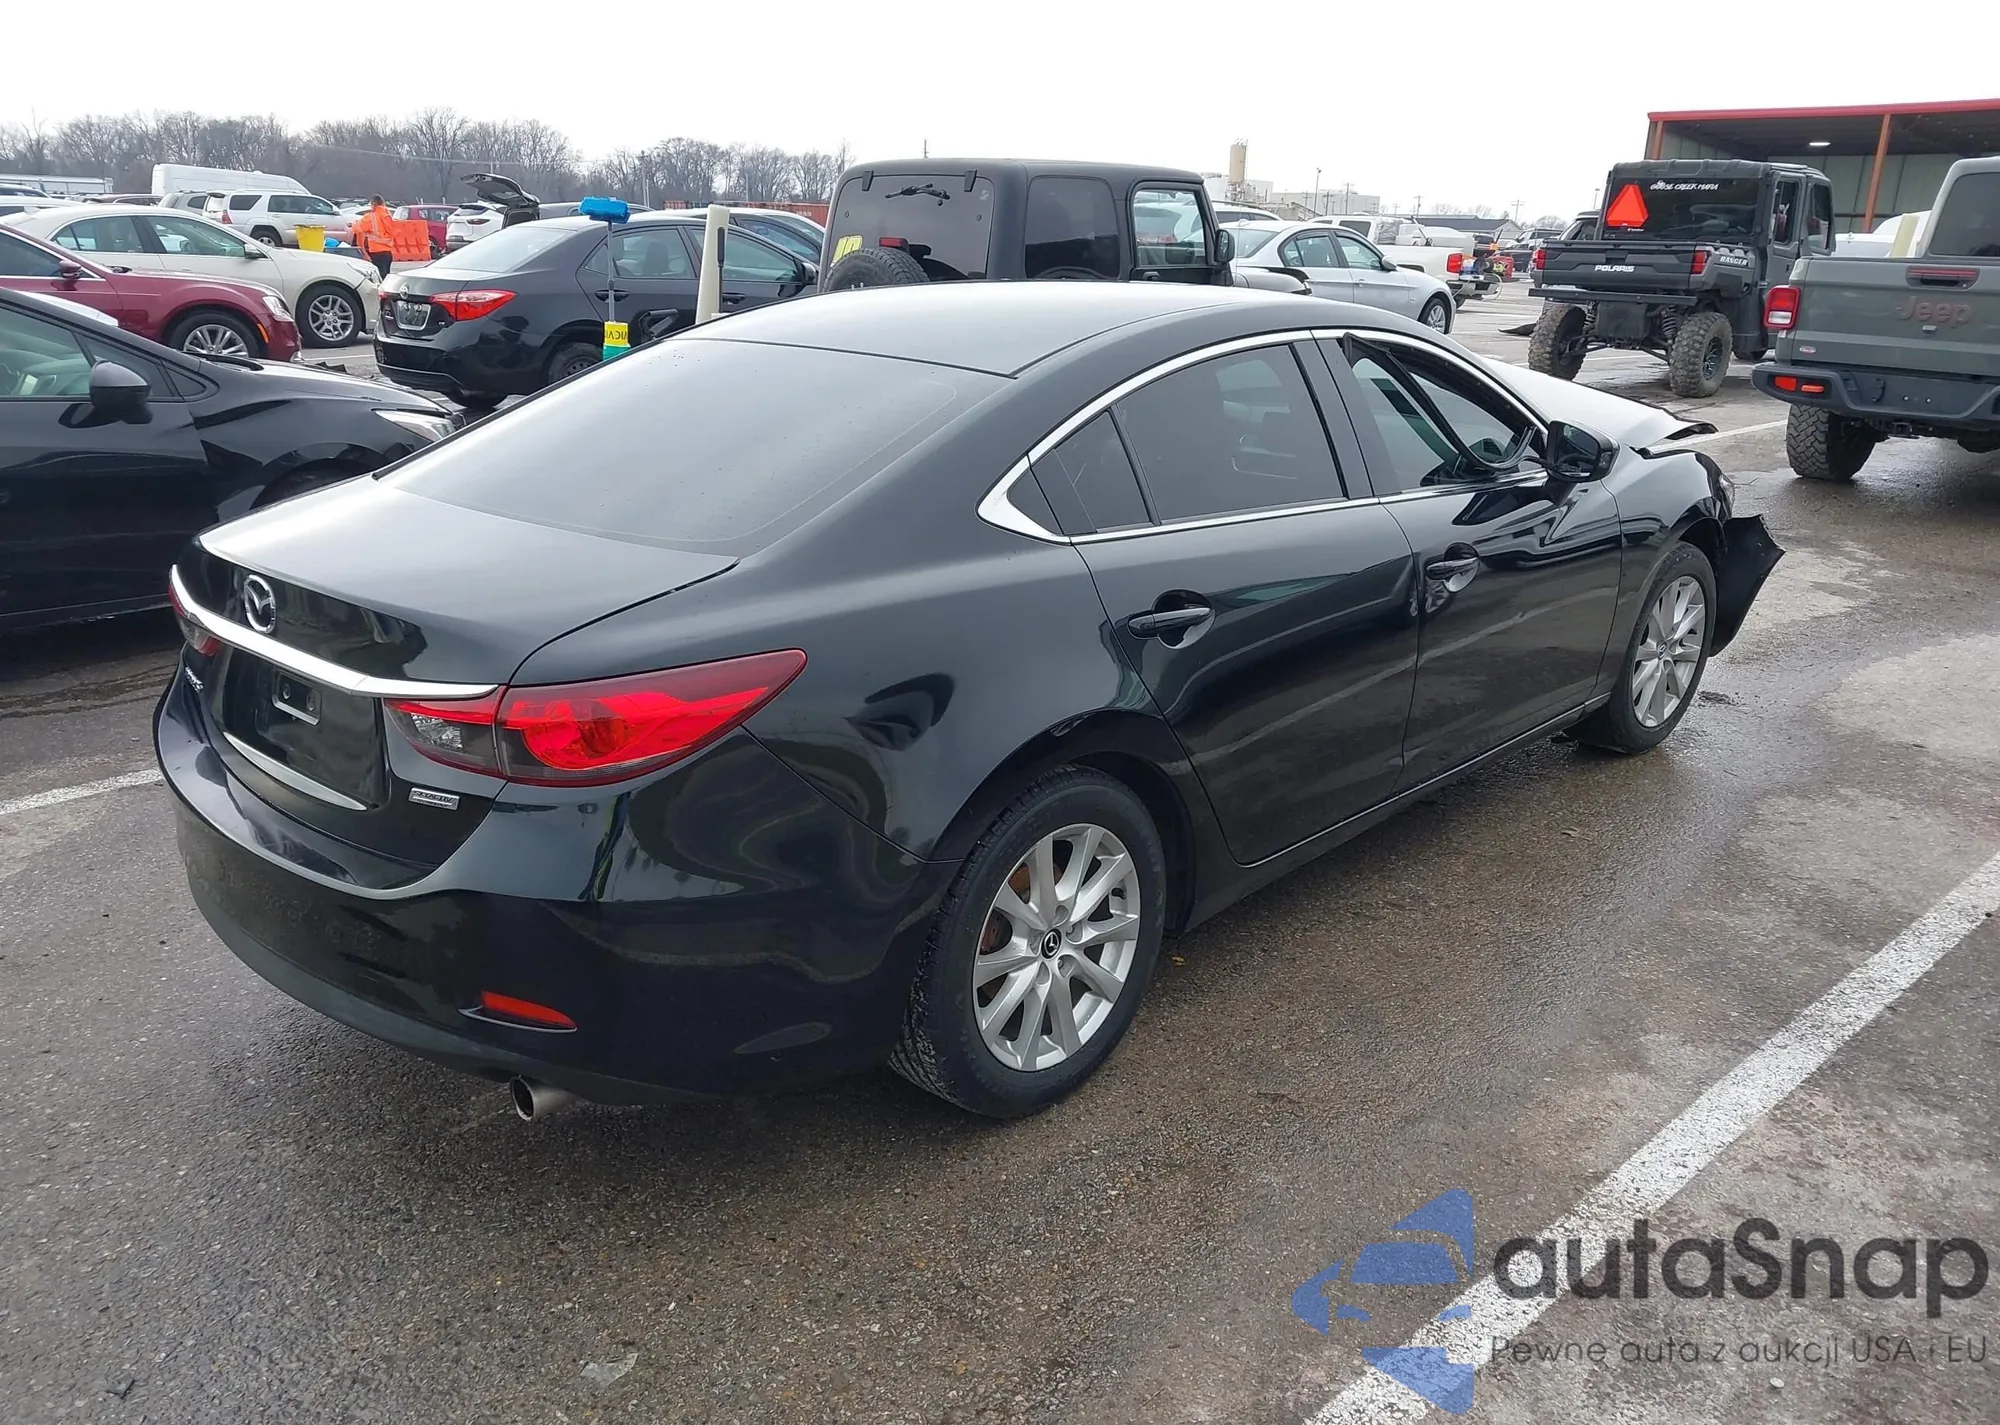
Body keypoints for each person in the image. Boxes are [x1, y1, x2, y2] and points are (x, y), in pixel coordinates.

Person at [352, 195, 395, 279]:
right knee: (385, 277)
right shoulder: (388, 216)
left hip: (375, 252)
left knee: (376, 279)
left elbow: (357, 228)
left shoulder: (371, 217)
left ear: (373, 204)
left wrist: (354, 223)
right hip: (387, 252)